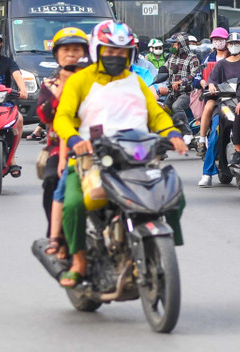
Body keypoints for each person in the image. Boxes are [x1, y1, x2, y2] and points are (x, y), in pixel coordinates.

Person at [53, 20, 188, 288]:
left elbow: (157, 114)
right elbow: (63, 118)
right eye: (110, 51)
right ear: (96, 50)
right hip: (90, 158)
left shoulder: (135, 81)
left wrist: (172, 134)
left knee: (174, 196)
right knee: (74, 204)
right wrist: (76, 139)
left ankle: (162, 245)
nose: (116, 57)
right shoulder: (80, 80)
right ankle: (78, 259)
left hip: (136, 155)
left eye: (121, 52)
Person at [37, 27, 89, 260]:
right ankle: (55, 236)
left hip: (97, 144)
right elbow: (44, 116)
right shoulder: (49, 84)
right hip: (61, 147)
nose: (71, 54)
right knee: (52, 181)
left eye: (76, 49)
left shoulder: (96, 80)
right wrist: (64, 90)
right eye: (66, 50)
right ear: (56, 54)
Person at [198, 32, 240, 187]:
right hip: (224, 104)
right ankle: (207, 173)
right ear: (228, 45)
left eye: (237, 43)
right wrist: (211, 85)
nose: (234, 46)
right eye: (231, 43)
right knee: (215, 134)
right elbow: (211, 81)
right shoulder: (221, 65)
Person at [0, 31, 28, 175]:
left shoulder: (8, 62)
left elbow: (17, 75)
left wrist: (23, 90)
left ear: (1, 44)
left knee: (19, 120)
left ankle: (11, 157)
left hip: (5, 102)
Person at [157, 33, 201, 142]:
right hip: (172, 93)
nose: (172, 47)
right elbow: (165, 71)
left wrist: (181, 82)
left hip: (188, 93)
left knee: (177, 106)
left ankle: (188, 133)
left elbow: (195, 74)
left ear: (181, 45)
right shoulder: (171, 57)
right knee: (161, 108)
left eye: (174, 44)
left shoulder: (192, 58)